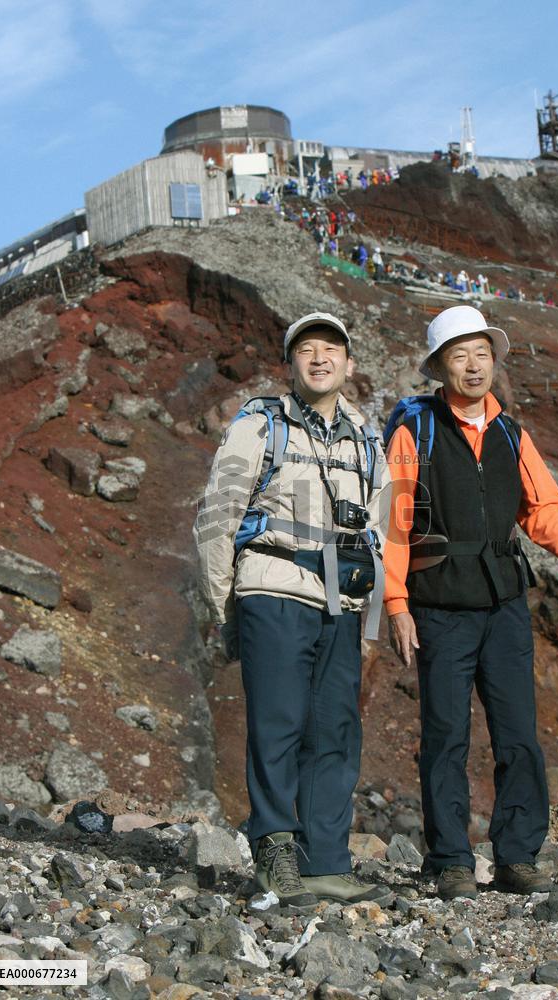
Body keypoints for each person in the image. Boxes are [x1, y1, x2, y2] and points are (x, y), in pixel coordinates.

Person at [382, 305, 558, 902]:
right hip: (439, 606)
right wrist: (396, 602)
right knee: (445, 734)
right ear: (438, 367)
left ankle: (517, 856)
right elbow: (394, 523)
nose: (473, 365)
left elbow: (543, 508)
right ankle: (450, 860)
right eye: (459, 355)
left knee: (518, 735)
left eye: (482, 353)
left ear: (494, 360)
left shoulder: (512, 433)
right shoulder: (416, 429)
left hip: (505, 602)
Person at [194, 313, 393, 910]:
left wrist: (372, 619)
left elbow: (381, 530)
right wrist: (224, 605)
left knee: (335, 730)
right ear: (290, 365)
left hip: (341, 602)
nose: (319, 358)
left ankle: (325, 862)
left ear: (349, 365)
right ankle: (275, 853)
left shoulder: (366, 437)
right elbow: (217, 512)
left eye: (331, 348)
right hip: (271, 588)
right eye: (306, 349)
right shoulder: (260, 425)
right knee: (277, 728)